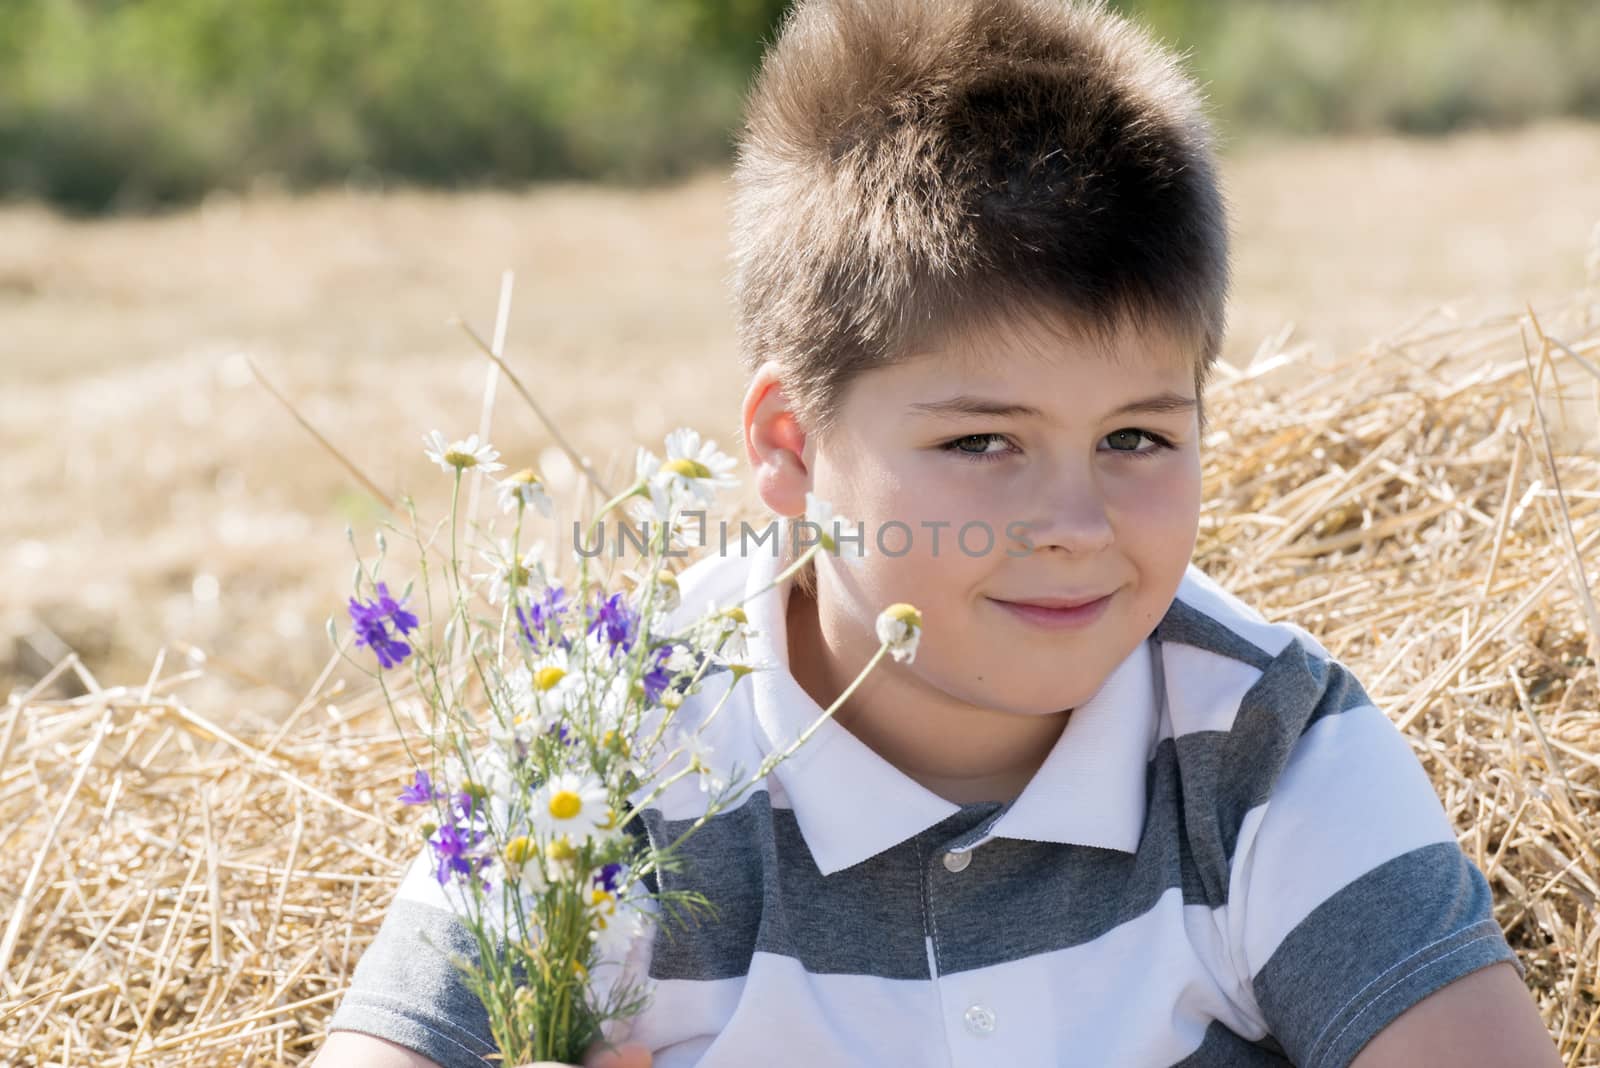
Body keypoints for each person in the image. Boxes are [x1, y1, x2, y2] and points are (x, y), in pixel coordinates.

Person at [312, 1, 1561, 1065]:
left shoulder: (1257, 747)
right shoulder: (609, 763)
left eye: (1137, 437)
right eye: (981, 444)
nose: (1075, 527)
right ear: (788, 449)